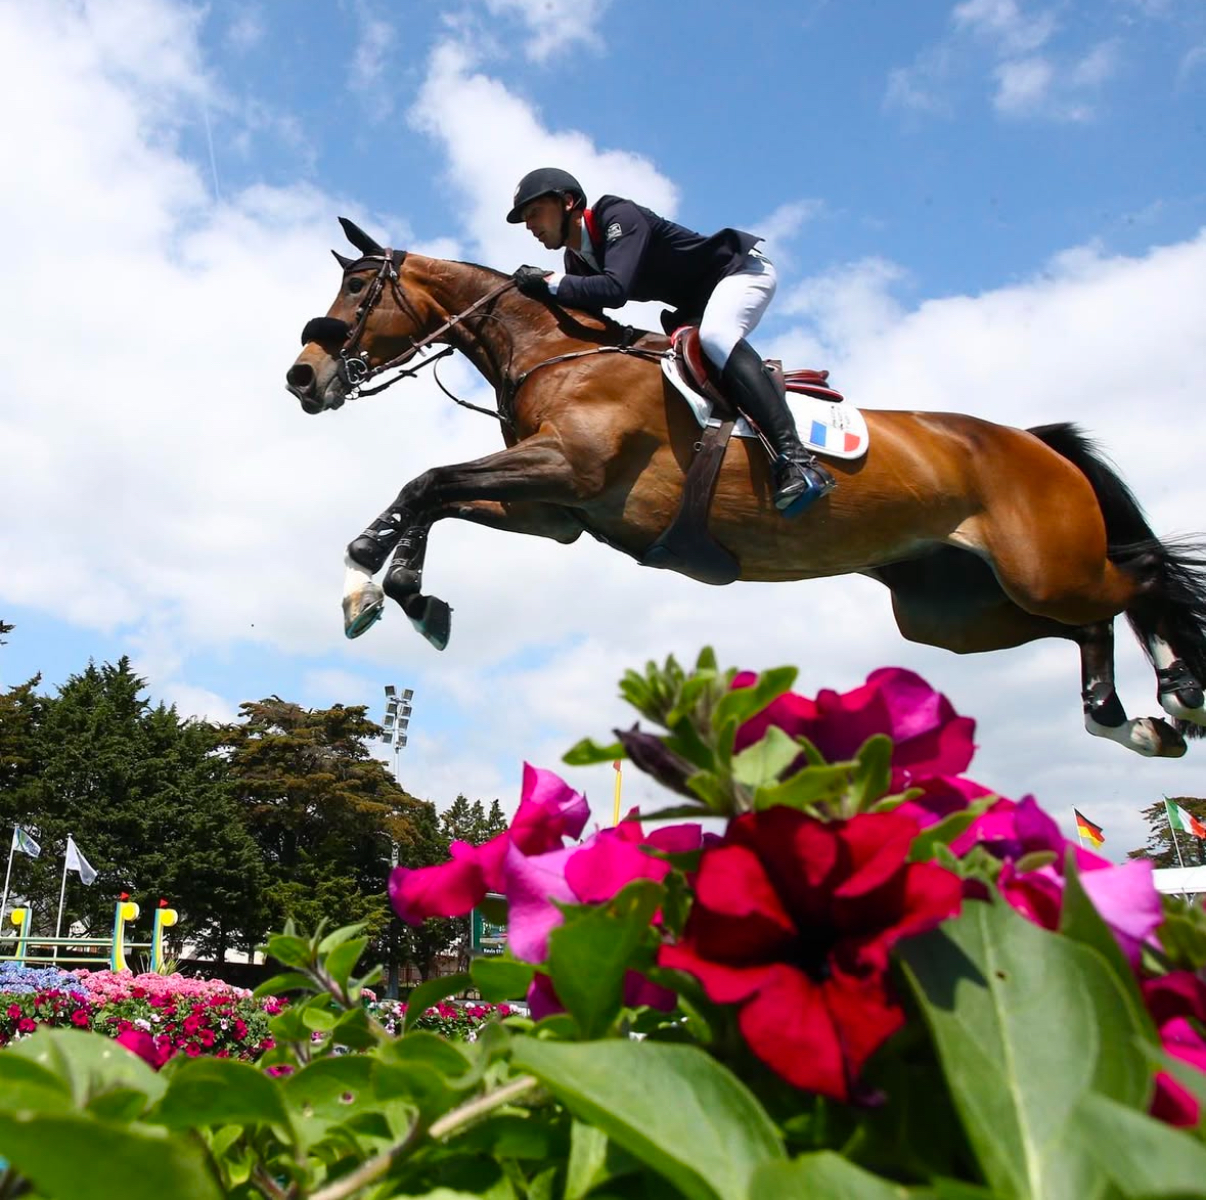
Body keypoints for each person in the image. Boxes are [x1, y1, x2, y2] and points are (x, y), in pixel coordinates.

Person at [507, 167, 835, 516]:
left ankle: (797, 460)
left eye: (534, 212)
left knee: (717, 337)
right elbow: (591, 324)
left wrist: (549, 282)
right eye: (526, 219)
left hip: (739, 272)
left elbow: (615, 289)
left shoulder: (615, 215)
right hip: (696, 304)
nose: (530, 226)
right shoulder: (576, 260)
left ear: (568, 202)